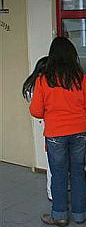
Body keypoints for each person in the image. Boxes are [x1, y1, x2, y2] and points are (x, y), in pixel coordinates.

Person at [29, 37, 86, 227]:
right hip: (80, 131)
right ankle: (80, 213)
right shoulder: (82, 79)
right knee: (78, 171)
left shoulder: (44, 80)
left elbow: (35, 110)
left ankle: (59, 215)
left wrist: (52, 114)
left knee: (59, 174)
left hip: (55, 134)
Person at [22, 56, 53, 201]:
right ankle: (52, 191)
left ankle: (55, 190)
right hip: (49, 125)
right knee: (53, 161)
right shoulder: (38, 85)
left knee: (54, 161)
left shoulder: (34, 83)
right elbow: (37, 109)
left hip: (51, 124)